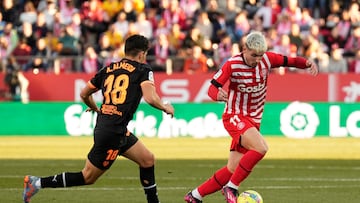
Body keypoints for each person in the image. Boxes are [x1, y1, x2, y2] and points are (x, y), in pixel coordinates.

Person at [23, 34, 175, 203]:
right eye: (145, 53)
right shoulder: (143, 70)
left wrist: (95, 107)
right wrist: (165, 107)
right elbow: (150, 98)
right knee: (88, 176)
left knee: (147, 159)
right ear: (141, 54)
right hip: (113, 132)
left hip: (114, 128)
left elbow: (84, 93)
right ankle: (36, 183)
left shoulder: (108, 69)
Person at [184, 31, 318, 203]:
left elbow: (289, 60)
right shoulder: (232, 65)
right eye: (254, 55)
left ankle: (195, 196)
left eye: (260, 56)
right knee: (261, 147)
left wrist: (306, 63)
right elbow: (212, 88)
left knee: (232, 168)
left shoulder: (267, 59)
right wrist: (217, 95)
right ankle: (231, 187)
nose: (257, 59)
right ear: (244, 49)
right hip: (234, 116)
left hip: (253, 120)